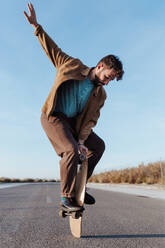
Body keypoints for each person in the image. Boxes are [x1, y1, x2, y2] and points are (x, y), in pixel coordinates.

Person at [24, 3, 124, 211]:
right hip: (53, 117)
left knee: (98, 145)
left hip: (74, 125)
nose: (107, 82)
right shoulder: (72, 65)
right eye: (107, 77)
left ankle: (80, 186)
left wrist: (81, 140)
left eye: (111, 80)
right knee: (70, 150)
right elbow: (52, 49)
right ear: (99, 67)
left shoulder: (101, 95)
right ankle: (66, 199)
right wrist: (37, 27)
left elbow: (90, 120)